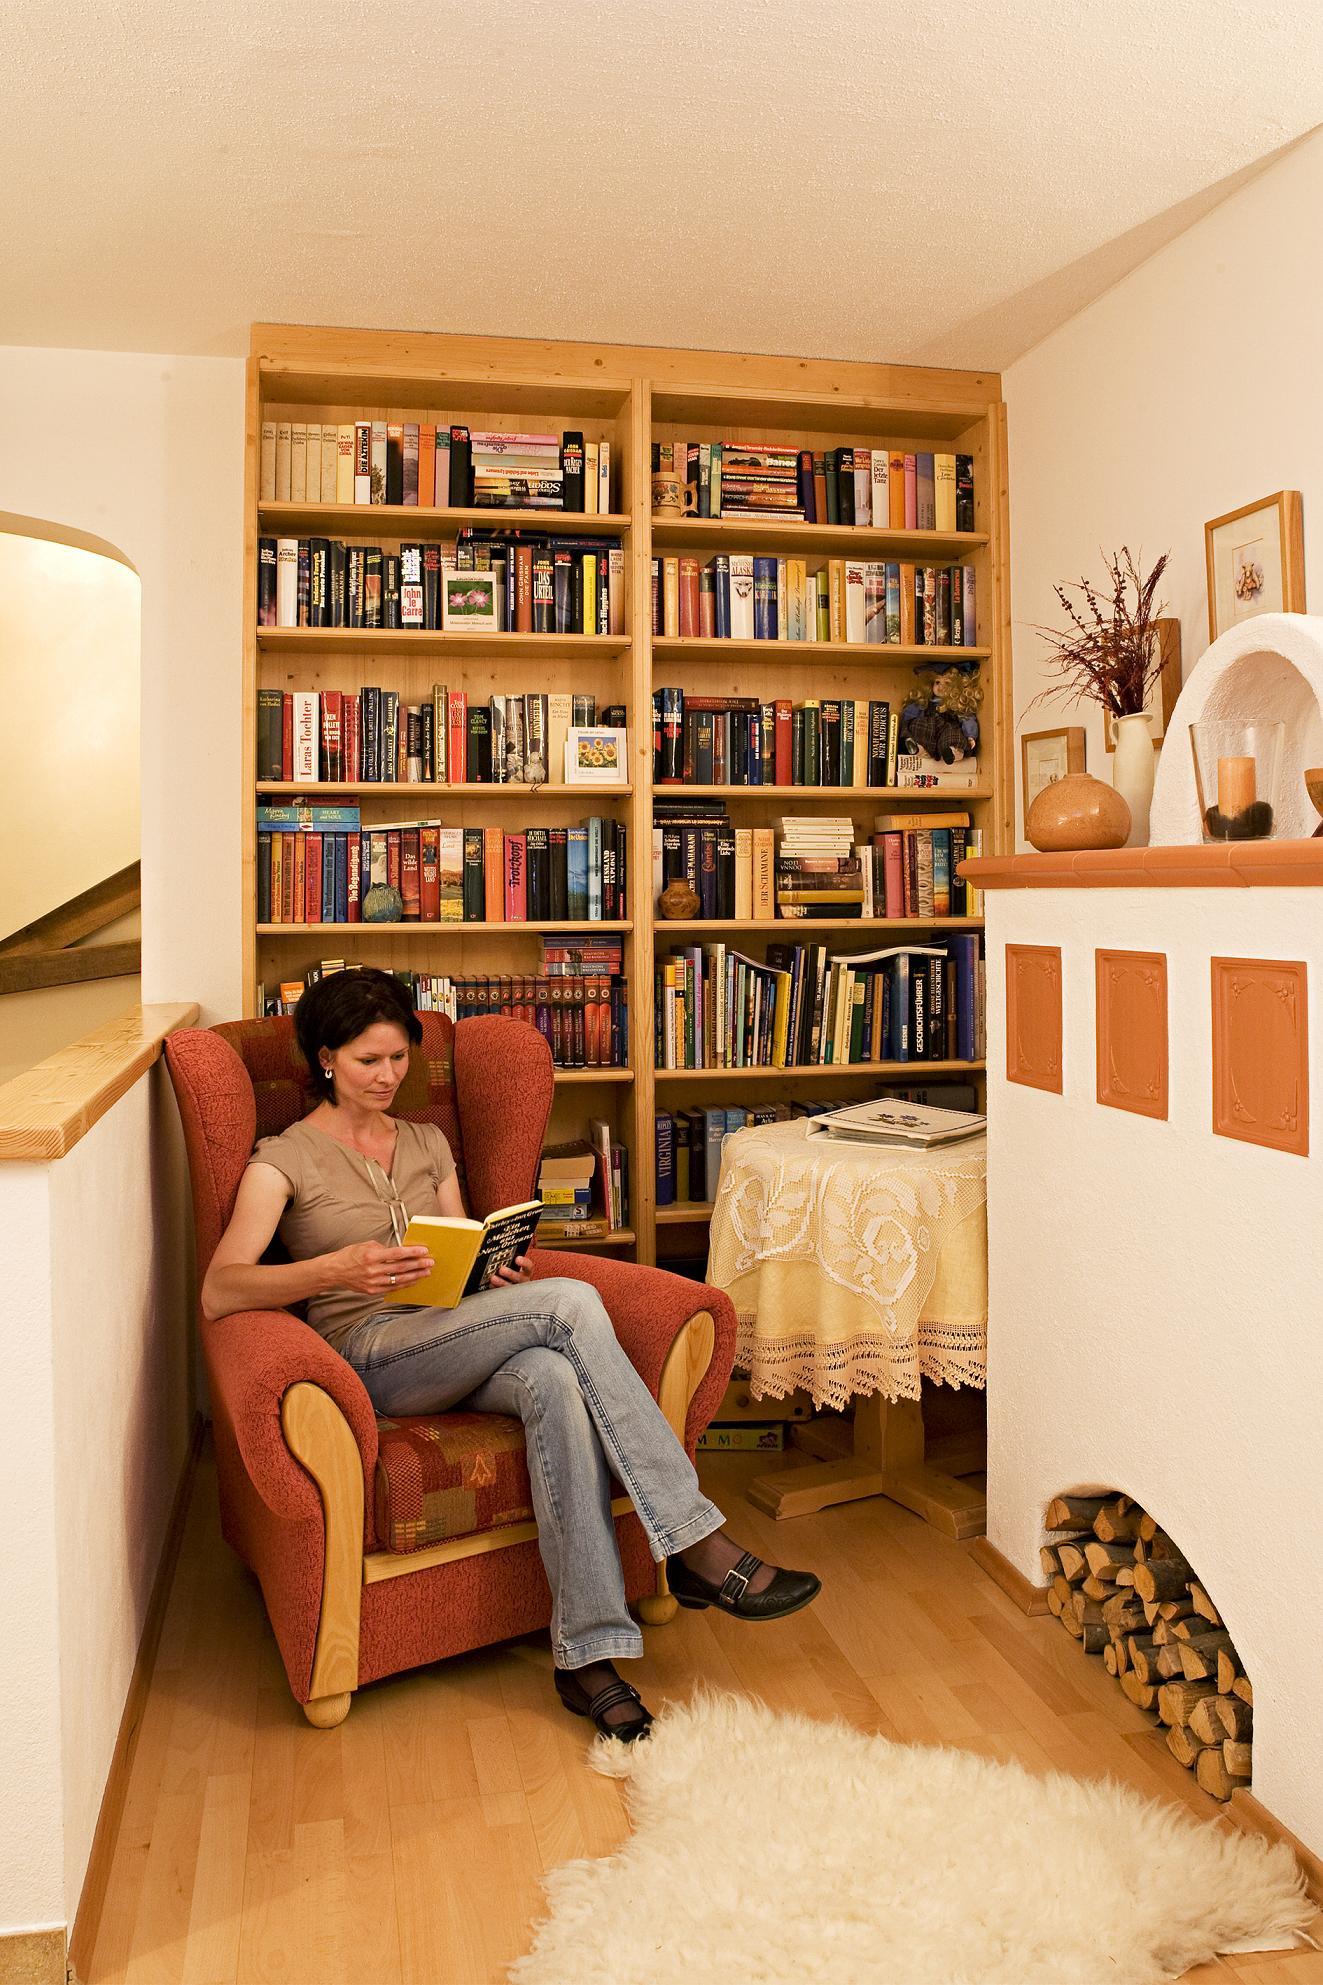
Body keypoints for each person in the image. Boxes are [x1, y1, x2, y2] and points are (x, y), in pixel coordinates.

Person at [202, 968, 820, 1742]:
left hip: (452, 1331)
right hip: (368, 1351)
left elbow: (458, 1255)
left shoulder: (427, 1142)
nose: (388, 1076)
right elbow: (220, 1289)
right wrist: (336, 1269)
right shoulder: (283, 1158)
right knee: (567, 1304)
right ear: (326, 1058)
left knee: (554, 1378)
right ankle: (691, 1536)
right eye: (368, 1060)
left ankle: (587, 1657)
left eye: (399, 1058)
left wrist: (491, 1271)